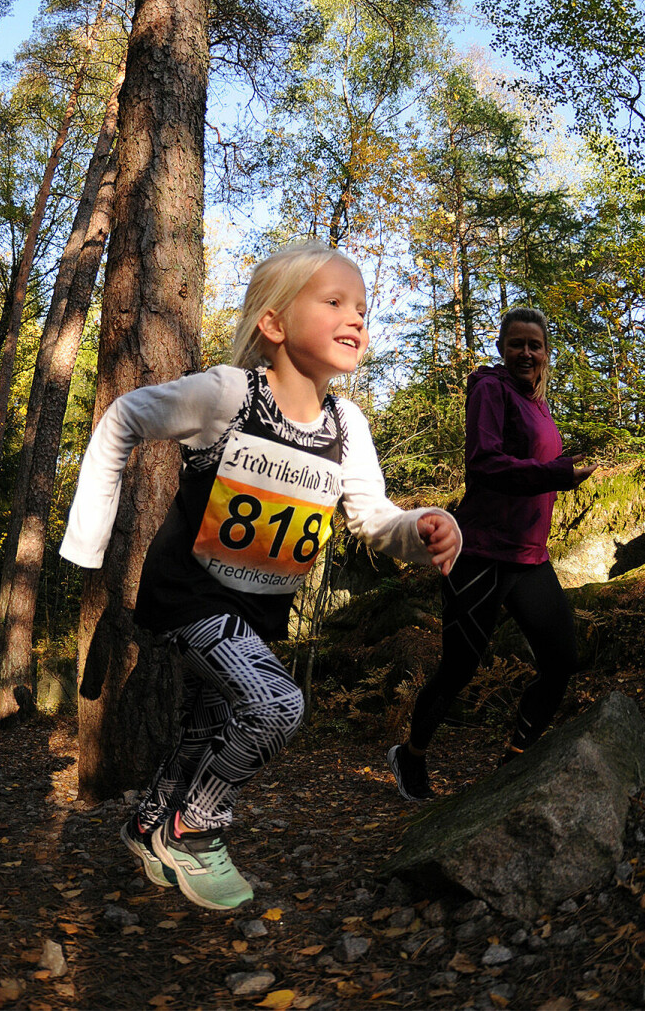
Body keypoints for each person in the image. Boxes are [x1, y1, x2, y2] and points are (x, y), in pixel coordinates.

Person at [60, 241, 462, 911]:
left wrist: (422, 526)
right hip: (189, 597)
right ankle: (195, 830)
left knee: (209, 724)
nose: (356, 317)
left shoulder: (347, 426)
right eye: (333, 301)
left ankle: (148, 824)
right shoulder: (227, 394)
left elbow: (372, 518)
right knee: (276, 705)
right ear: (273, 325)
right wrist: (89, 540)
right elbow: (126, 416)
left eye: (362, 307)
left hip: (253, 614)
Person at [388, 306, 596, 801]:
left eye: (536, 345)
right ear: (502, 347)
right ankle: (410, 757)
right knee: (459, 669)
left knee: (562, 659)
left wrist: (564, 467)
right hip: (479, 552)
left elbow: (532, 466)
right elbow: (484, 465)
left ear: (546, 353)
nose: (526, 352)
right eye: (517, 343)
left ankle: (513, 762)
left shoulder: (539, 405)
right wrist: (555, 475)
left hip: (529, 557)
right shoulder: (490, 389)